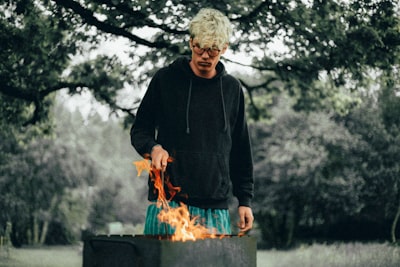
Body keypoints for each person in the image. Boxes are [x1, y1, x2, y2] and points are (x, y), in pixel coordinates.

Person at [130, 8, 254, 235]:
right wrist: (153, 147)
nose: (205, 55)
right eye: (200, 47)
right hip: (168, 204)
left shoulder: (232, 89)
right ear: (190, 43)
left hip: (215, 206)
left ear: (224, 49)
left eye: (212, 50)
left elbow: (240, 149)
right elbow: (140, 130)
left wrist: (244, 200)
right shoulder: (165, 79)